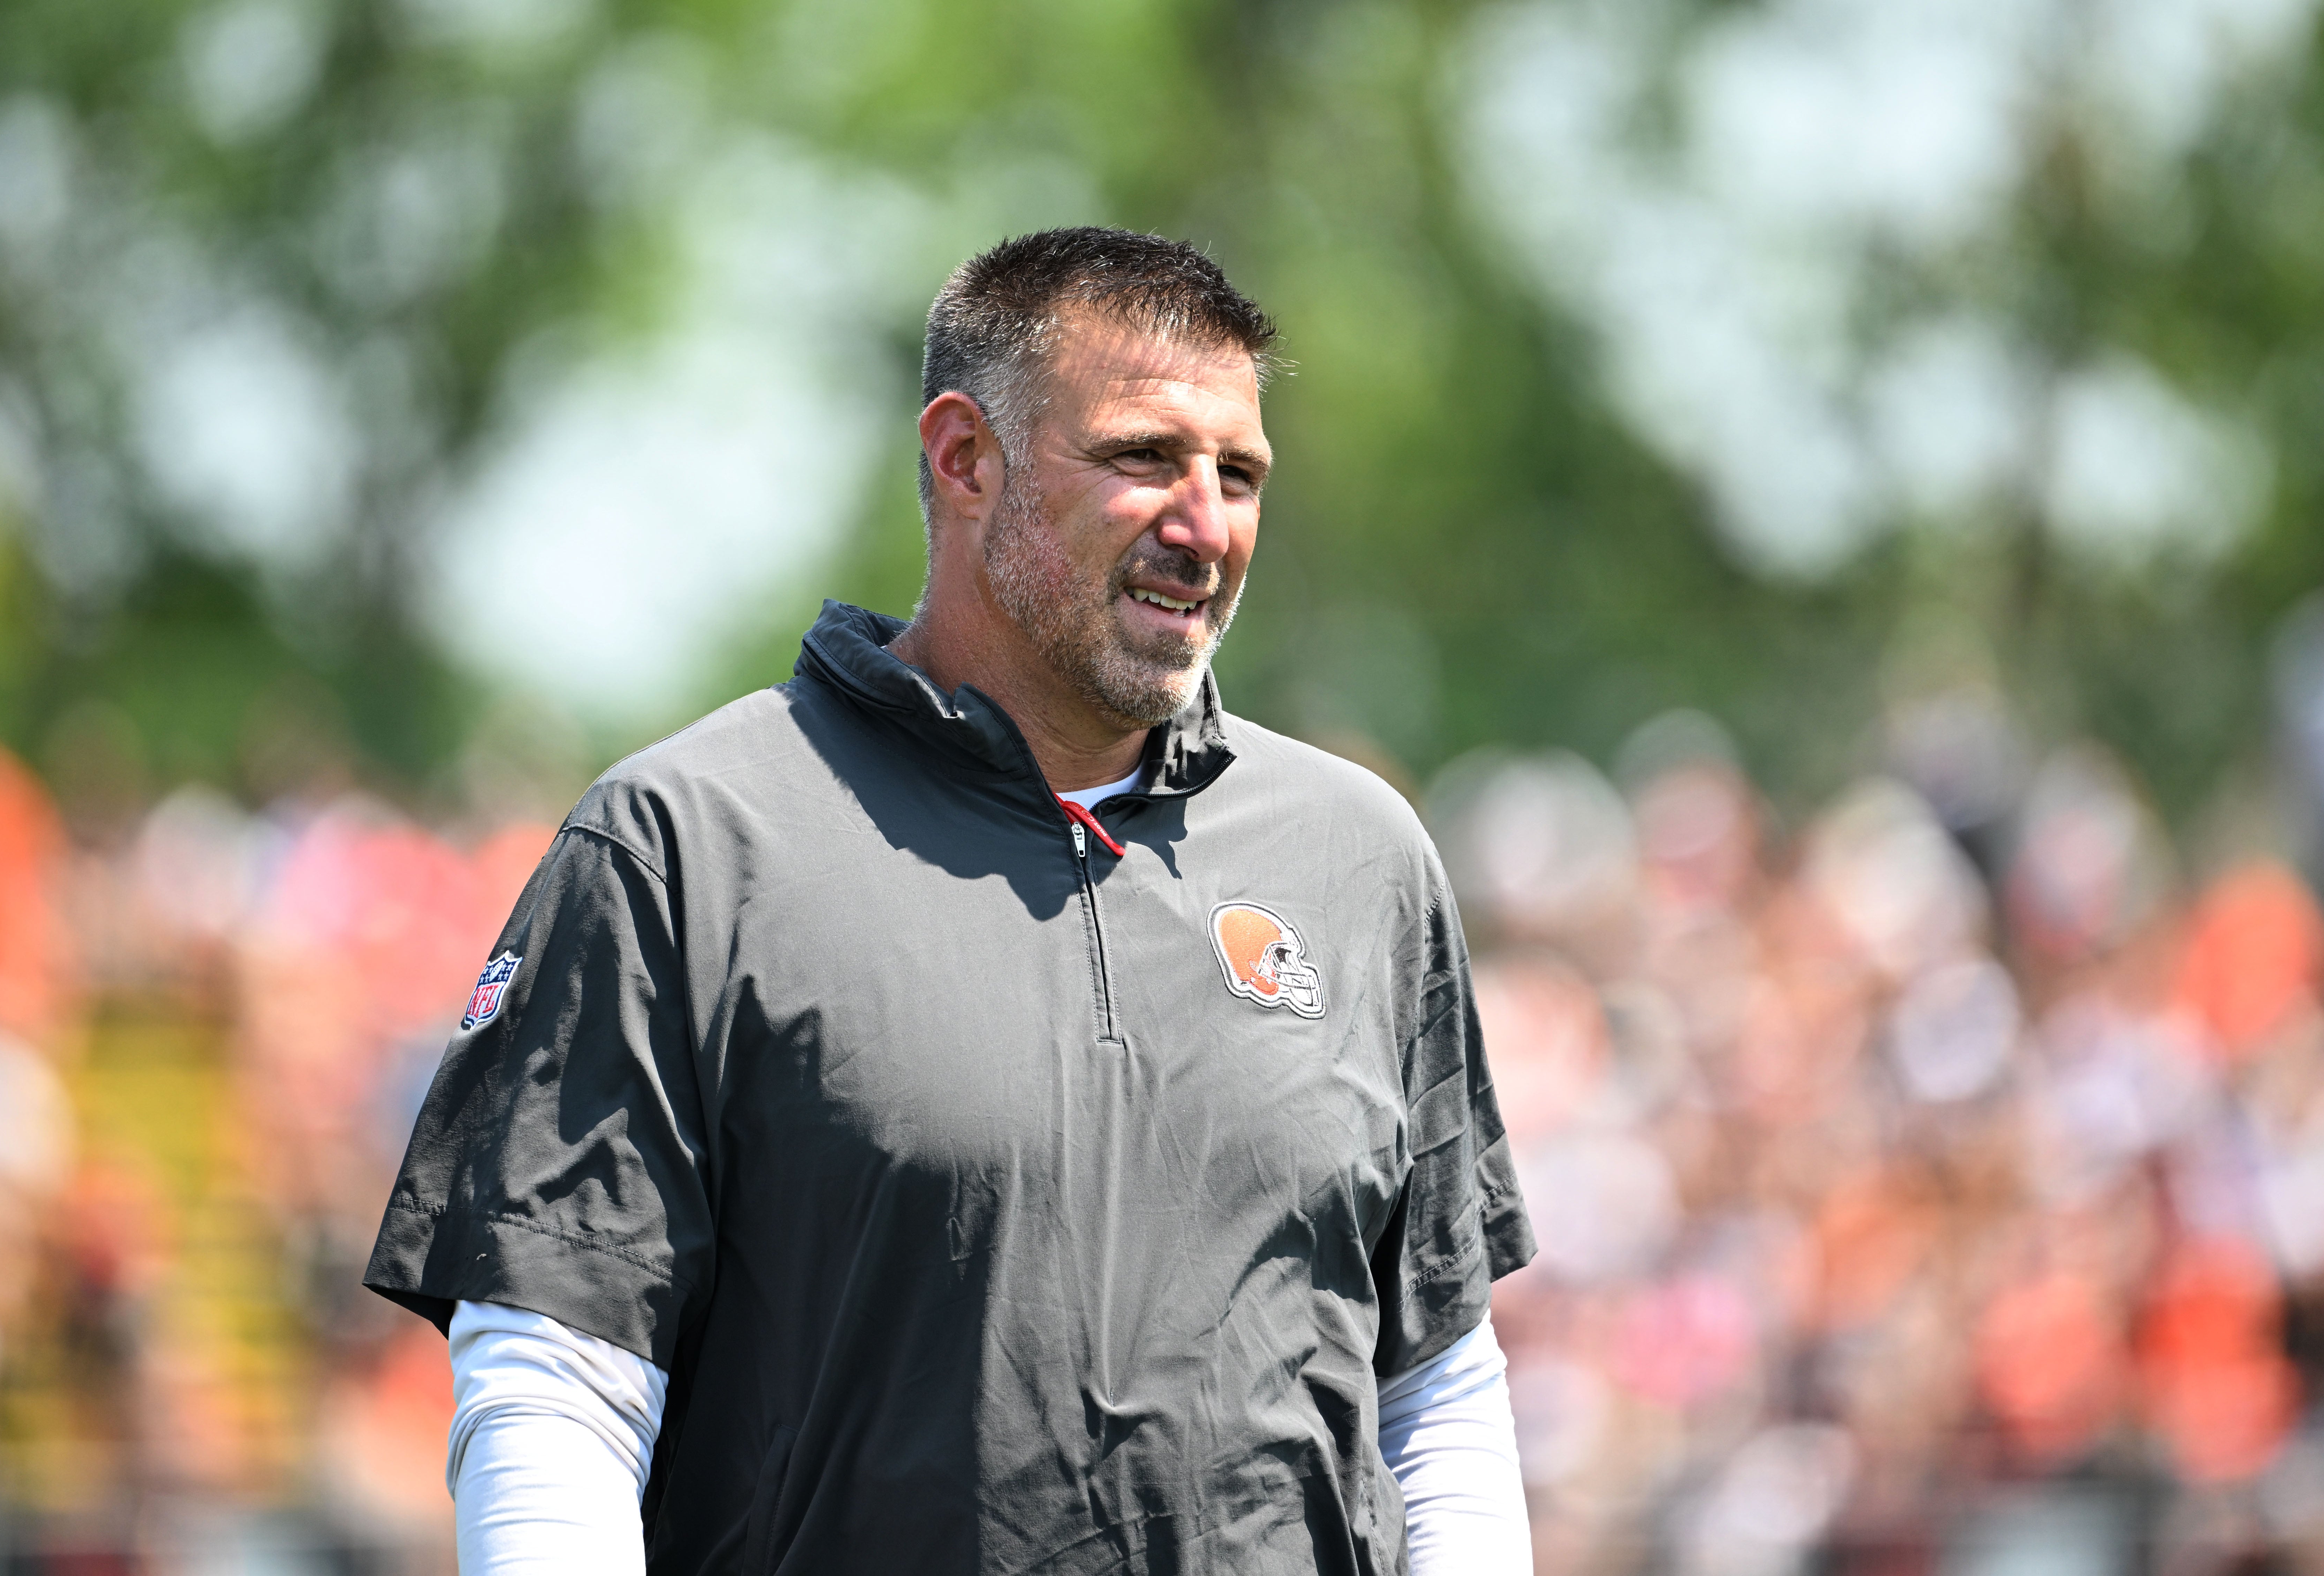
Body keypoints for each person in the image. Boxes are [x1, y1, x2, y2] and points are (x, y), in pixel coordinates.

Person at [365, 227, 1536, 1575]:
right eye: (1145, 457)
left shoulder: (1362, 857)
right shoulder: (689, 843)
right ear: (964, 456)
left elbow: (1436, 1385)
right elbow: (557, 1384)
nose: (1205, 521)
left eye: (1239, 473)